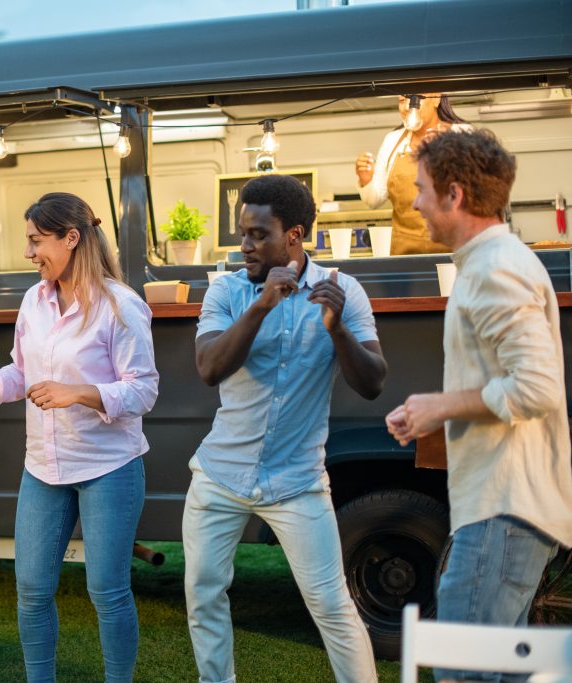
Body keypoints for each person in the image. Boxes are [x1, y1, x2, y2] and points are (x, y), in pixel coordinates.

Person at [0, 192, 158, 683]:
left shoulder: (121, 306)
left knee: (107, 590)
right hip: (43, 467)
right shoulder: (33, 301)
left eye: (37, 241)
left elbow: (143, 390)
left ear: (72, 238)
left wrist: (78, 393)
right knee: (32, 589)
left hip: (110, 467)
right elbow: (23, 372)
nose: (28, 253)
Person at [385, 129, 572, 683]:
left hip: (504, 509)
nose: (414, 201)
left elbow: (538, 387)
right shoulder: (490, 261)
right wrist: (433, 406)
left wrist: (440, 406)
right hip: (507, 509)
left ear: (455, 195)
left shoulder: (495, 267)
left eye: (421, 189)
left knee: (464, 674)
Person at [185, 174, 387, 683]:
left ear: (294, 235)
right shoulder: (227, 291)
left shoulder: (342, 291)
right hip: (220, 477)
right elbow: (210, 368)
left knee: (331, 604)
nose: (245, 245)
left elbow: (373, 383)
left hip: (296, 482)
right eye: (242, 233)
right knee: (203, 596)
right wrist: (261, 305)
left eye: (258, 234)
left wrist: (337, 329)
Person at [355, 93, 471, 255]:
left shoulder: (462, 134)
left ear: (436, 99)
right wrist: (365, 180)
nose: (408, 107)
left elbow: (478, 193)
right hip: (405, 254)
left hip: (454, 252)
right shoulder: (392, 141)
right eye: (402, 101)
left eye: (417, 100)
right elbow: (374, 200)